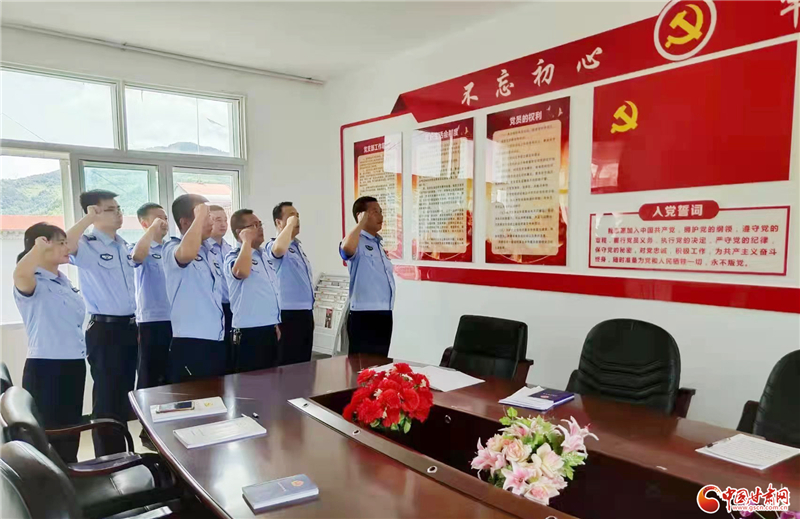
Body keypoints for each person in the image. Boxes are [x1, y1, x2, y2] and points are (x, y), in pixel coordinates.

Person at [66, 190, 136, 456]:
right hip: (105, 330)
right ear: (93, 213)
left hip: (129, 327)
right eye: (110, 209)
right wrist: (87, 220)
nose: (118, 213)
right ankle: (108, 457)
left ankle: (124, 454)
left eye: (118, 208)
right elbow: (66, 244)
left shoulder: (123, 245)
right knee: (107, 397)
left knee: (124, 396)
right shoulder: (88, 245)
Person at [13, 223, 86, 463]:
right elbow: (19, 274)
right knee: (48, 434)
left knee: (71, 428)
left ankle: (70, 472)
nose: (68, 247)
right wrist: (36, 249)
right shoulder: (31, 280)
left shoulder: (63, 281)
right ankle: (49, 479)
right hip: (47, 367)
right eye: (61, 243)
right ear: (42, 245)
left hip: (74, 363)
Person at [163, 195, 226, 382]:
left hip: (215, 339)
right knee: (194, 396)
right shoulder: (172, 247)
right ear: (185, 222)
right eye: (206, 216)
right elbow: (186, 254)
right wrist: (199, 218)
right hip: (191, 341)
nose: (211, 222)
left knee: (216, 394)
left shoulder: (209, 251)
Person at [225, 209, 281, 372]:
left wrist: (274, 322)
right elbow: (241, 272)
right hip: (249, 332)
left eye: (260, 224)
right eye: (254, 225)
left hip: (269, 329)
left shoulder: (264, 256)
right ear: (240, 232)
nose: (260, 228)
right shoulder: (234, 256)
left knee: (272, 379)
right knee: (250, 383)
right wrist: (246, 243)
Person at [339, 196, 396, 357]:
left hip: (384, 313)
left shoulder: (378, 244)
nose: (380, 216)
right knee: (361, 365)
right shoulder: (355, 241)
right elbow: (346, 249)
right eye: (375, 212)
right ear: (361, 215)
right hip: (364, 315)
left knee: (380, 362)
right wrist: (360, 224)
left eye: (381, 211)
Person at [266, 202, 315, 365]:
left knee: (304, 363)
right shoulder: (274, 245)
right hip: (287, 314)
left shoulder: (297, 247)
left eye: (297, 216)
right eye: (291, 216)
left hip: (305, 313)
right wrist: (289, 226)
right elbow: (278, 250)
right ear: (278, 222)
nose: (296, 220)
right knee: (288, 364)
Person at [130, 203, 171, 389]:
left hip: (176, 321)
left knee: (171, 376)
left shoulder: (171, 249)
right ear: (144, 223)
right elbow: (136, 257)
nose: (163, 222)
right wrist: (152, 229)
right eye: (158, 218)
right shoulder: (140, 247)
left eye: (165, 218)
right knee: (150, 377)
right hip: (152, 322)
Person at [206, 205, 234, 371]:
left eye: (225, 220)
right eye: (218, 220)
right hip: (214, 309)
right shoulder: (203, 249)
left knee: (232, 355)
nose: (223, 224)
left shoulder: (229, 249)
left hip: (232, 307)